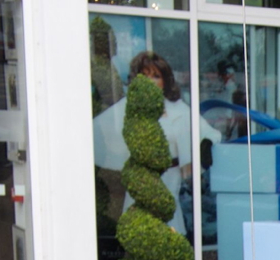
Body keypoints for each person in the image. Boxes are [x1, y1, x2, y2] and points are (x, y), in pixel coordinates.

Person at [91, 52, 221, 234]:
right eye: (145, 76)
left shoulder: (179, 108)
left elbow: (210, 132)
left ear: (165, 80)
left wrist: (206, 143)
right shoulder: (127, 106)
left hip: (170, 177)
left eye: (156, 76)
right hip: (141, 179)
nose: (150, 81)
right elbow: (95, 130)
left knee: (170, 227)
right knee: (139, 229)